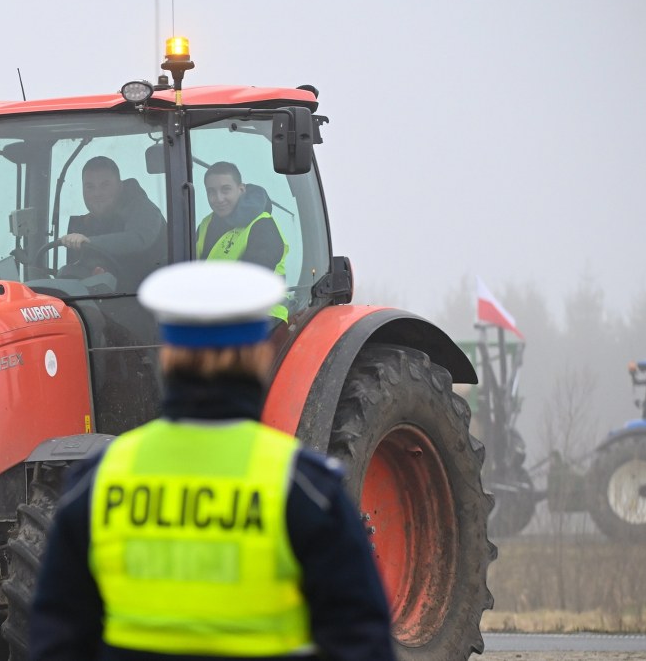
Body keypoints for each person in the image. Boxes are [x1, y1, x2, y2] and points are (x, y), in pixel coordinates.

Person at [29, 261, 395, 661]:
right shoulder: (304, 489)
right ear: (257, 356)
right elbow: (362, 642)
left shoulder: (98, 482)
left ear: (167, 356)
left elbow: (56, 640)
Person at [58, 156, 166, 290]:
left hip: (154, 301)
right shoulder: (85, 225)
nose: (97, 193)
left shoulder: (145, 210)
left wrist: (89, 242)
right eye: (90, 187)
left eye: (105, 185)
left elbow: (137, 239)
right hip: (102, 305)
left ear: (120, 186)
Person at [197, 162, 287, 273]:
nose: (219, 198)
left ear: (242, 189)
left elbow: (253, 282)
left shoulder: (263, 225)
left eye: (225, 190)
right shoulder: (206, 224)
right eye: (211, 192)